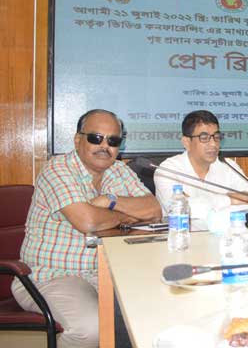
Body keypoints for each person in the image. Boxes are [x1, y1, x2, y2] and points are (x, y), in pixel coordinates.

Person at [12, 109, 161, 348]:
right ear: (77, 140)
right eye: (96, 138)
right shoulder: (57, 169)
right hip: (51, 276)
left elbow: (153, 210)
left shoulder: (119, 171)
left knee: (153, 310)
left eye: (113, 141)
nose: (105, 146)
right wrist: (126, 215)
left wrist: (110, 200)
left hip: (105, 274)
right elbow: (88, 222)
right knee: (91, 329)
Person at [154, 110, 248, 231]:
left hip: (224, 237)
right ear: (186, 142)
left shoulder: (228, 166)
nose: (213, 144)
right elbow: (180, 209)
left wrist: (205, 205)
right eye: (204, 138)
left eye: (216, 137)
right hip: (182, 237)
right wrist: (230, 199)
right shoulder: (167, 171)